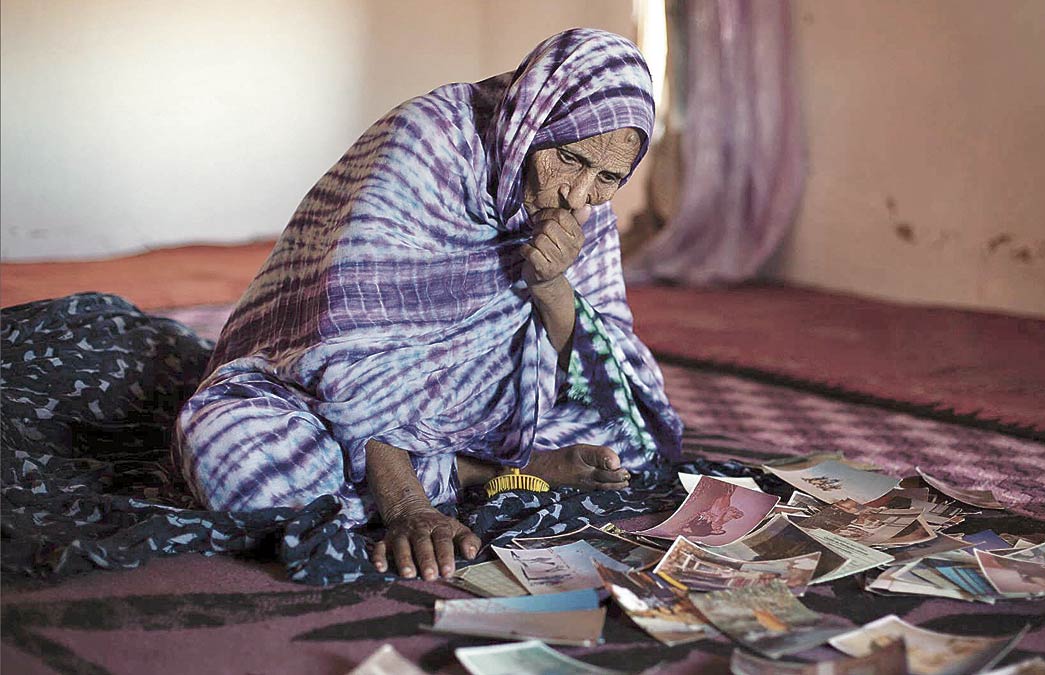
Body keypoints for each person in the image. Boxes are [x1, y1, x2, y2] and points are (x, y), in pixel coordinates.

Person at [173, 29, 682, 582]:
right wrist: (408, 508)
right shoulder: (428, 141)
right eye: (568, 158)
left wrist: (553, 283)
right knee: (241, 464)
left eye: (609, 178)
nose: (578, 194)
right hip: (327, 390)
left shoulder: (585, 203)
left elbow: (600, 369)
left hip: (483, 408)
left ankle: (469, 464)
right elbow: (348, 351)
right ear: (533, 118)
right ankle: (480, 470)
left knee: (628, 445)